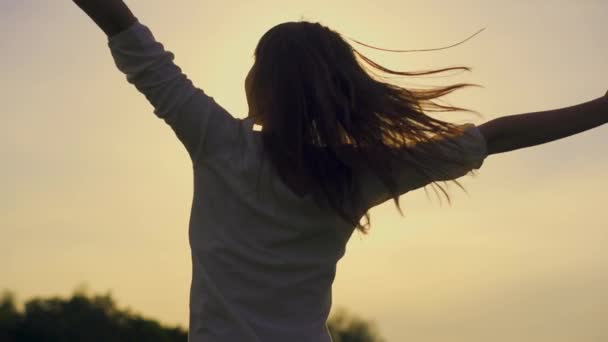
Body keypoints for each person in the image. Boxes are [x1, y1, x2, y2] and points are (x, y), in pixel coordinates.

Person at [73, 1, 608, 341]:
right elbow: (496, 136)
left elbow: (126, 31)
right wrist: (603, 108)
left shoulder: (219, 144)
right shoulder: (361, 172)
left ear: (262, 84)